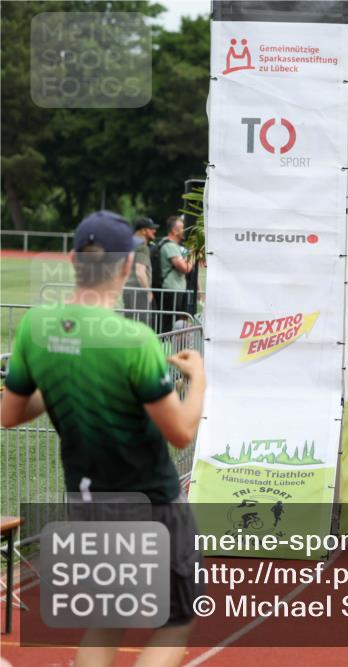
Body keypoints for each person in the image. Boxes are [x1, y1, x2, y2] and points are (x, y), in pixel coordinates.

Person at [1, 210, 207, 667]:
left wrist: (57, 380)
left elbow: (10, 414)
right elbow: (181, 432)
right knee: (174, 620)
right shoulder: (135, 340)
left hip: (88, 498)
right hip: (151, 499)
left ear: (73, 259)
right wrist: (199, 381)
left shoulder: (37, 327)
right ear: (125, 267)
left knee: (111, 615)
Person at [159, 216, 193, 333]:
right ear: (174, 230)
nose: (185, 230)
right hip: (172, 289)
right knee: (170, 324)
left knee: (175, 322)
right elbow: (184, 268)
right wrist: (193, 256)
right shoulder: (170, 246)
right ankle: (167, 348)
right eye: (183, 228)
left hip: (176, 289)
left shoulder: (173, 246)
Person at [123, 216, 158, 325]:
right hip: (139, 292)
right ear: (143, 231)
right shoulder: (142, 247)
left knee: (130, 326)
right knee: (144, 326)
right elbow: (140, 272)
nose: (154, 231)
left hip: (127, 290)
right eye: (151, 228)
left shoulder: (128, 245)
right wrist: (148, 292)